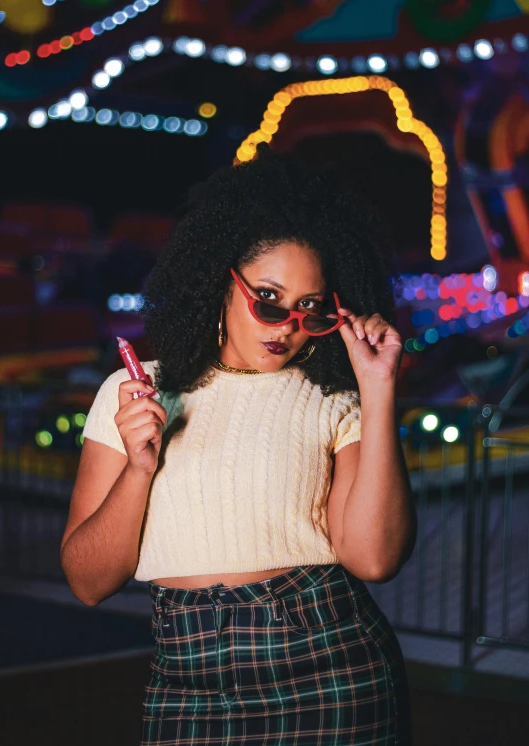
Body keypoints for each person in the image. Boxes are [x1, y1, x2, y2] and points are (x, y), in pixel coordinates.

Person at [60, 142, 417, 745]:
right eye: (268, 300)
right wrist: (138, 470)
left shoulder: (337, 400)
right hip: (187, 676)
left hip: (333, 667)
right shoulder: (135, 391)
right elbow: (87, 582)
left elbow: (375, 559)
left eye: (309, 308)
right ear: (219, 282)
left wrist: (378, 390)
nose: (287, 326)